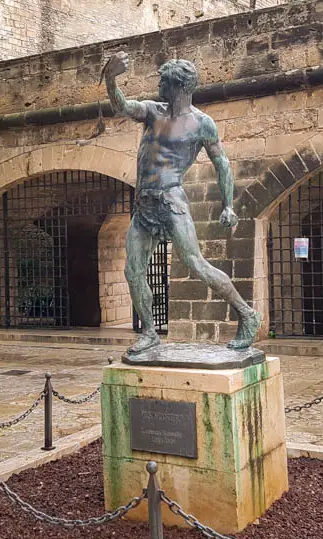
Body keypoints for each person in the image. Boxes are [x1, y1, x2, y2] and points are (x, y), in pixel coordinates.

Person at [104, 51, 261, 354]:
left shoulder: (203, 123)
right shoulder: (152, 111)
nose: (158, 86)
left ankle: (247, 315)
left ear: (177, 86)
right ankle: (149, 333)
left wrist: (228, 205)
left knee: (196, 264)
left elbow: (222, 163)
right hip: (144, 205)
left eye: (162, 81)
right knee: (133, 270)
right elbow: (121, 106)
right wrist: (111, 78)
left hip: (171, 200)